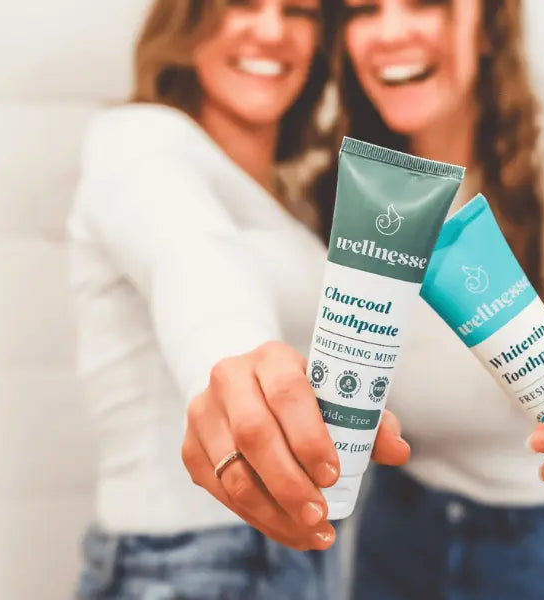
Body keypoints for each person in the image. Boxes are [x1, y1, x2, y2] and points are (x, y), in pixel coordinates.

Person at [182, 1, 544, 599]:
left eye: (426, 3)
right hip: (395, 531)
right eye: (363, 10)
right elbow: (204, 267)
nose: (391, 30)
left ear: (489, 24)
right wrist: (228, 377)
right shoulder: (332, 188)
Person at [66, 1, 350, 598]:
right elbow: (190, 254)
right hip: (190, 560)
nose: (271, 30)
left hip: (295, 552)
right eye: (241, 2)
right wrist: (236, 367)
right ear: (187, 18)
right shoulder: (137, 141)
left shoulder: (295, 196)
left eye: (298, 11)